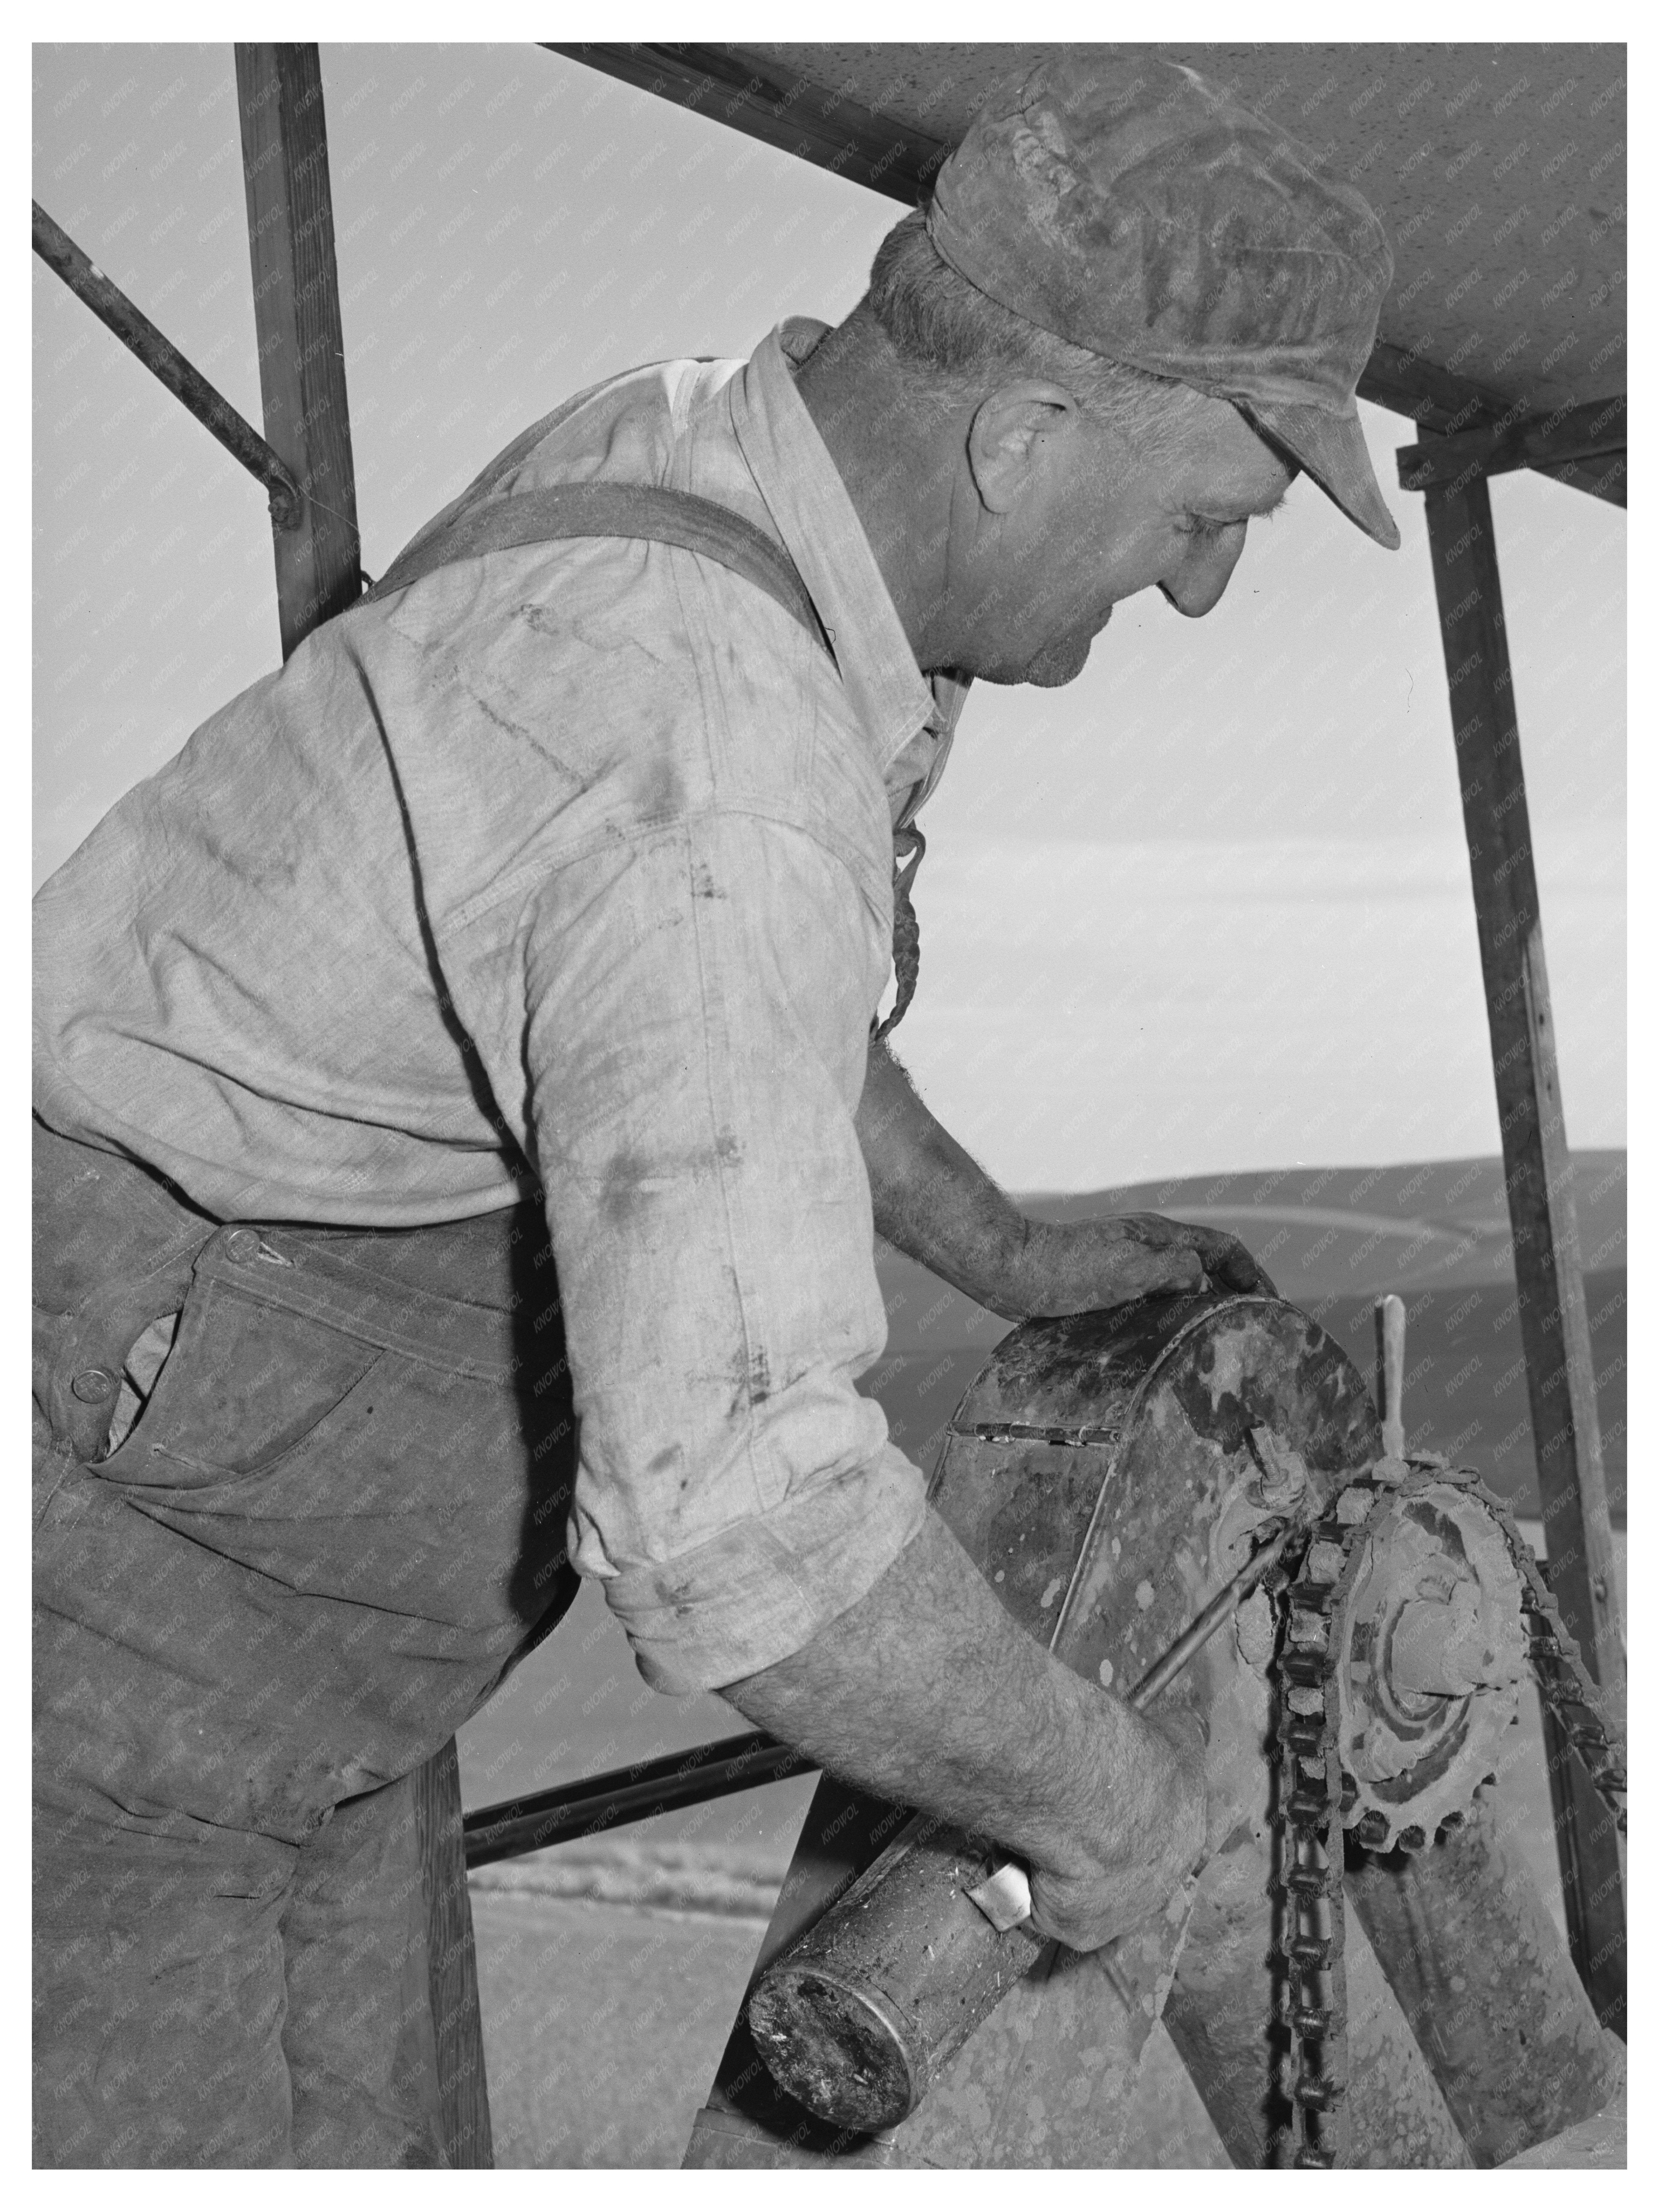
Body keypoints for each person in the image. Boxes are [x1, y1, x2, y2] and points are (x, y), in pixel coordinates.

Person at [33, 53, 1400, 2165]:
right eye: (1206, 519)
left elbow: (722, 1013)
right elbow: (745, 1534)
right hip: (106, 1662)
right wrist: (1120, 1815)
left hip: (303, 1670)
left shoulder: (702, 452)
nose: (1198, 590)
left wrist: (1002, 1250)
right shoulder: (715, 758)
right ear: (1027, 436)